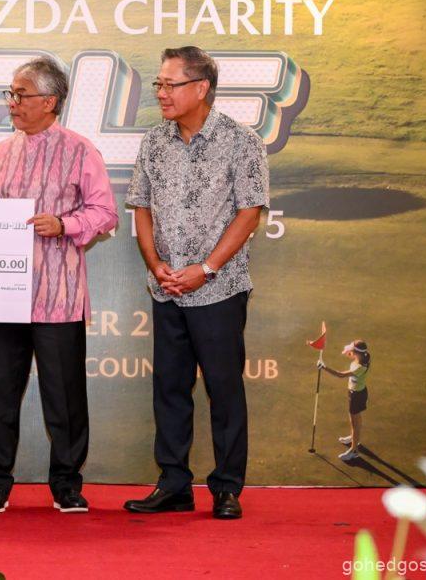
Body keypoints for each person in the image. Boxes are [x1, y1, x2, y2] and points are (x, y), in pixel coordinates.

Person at [123, 46, 269, 520]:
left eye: (171, 84)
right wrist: (156, 264)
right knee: (169, 388)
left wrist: (205, 269)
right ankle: (173, 484)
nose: (161, 93)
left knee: (224, 389)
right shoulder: (154, 142)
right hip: (166, 288)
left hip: (219, 290)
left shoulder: (241, 141)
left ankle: (227, 488)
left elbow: (249, 213)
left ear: (201, 88)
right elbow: (141, 207)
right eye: (159, 84)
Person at [0, 57, 118, 514]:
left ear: (50, 101)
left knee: (65, 397)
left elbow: (105, 213)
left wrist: (63, 224)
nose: (12, 103)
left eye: (21, 95)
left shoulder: (80, 150)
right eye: (11, 94)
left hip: (58, 296)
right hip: (4, 295)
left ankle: (67, 484)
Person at [318, 340, 371, 461]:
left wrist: (324, 367)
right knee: (354, 419)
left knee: (355, 422)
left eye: (353, 350)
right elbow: (351, 354)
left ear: (357, 352)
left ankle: (354, 451)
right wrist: (349, 352)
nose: (350, 351)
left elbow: (340, 375)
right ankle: (353, 437)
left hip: (357, 395)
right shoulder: (363, 356)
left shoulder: (360, 367)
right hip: (355, 392)